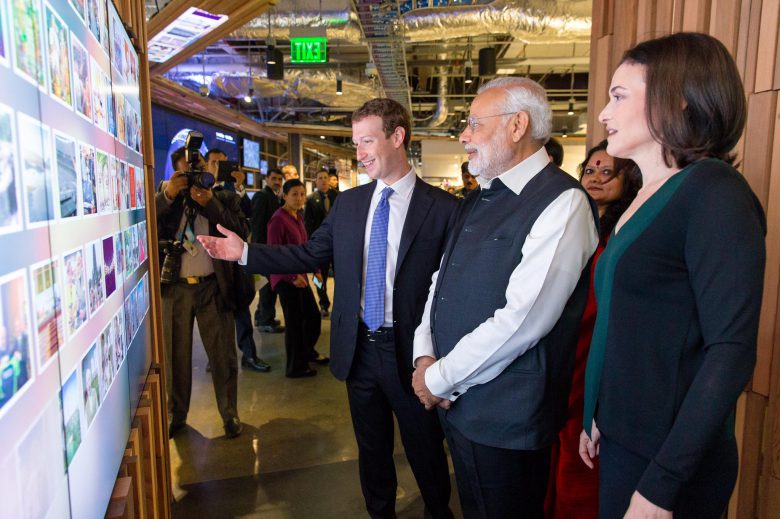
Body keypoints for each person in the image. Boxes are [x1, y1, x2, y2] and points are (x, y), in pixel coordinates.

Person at [198, 98, 457, 519]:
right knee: (372, 453)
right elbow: (307, 253)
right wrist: (246, 252)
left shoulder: (443, 209)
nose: (360, 153)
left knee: (425, 450)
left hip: (413, 355)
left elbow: (450, 289)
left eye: (367, 141)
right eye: (356, 143)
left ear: (398, 137)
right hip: (358, 350)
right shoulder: (350, 204)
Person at [579, 32, 766, 518]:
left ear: (677, 98)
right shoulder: (643, 197)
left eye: (618, 97)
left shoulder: (714, 191)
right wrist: (599, 412)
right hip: (627, 438)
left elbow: (731, 350)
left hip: (668, 460)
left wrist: (663, 483)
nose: (604, 113)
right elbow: (626, 324)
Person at [411, 77, 599, 518]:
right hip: (457, 404)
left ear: (518, 125)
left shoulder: (563, 202)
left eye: (475, 123)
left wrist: (437, 379)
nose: (464, 136)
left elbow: (523, 320)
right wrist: (424, 356)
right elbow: (442, 281)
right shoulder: (477, 199)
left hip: (506, 420)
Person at [545, 140, 640, 519]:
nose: (596, 178)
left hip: (595, 359)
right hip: (563, 354)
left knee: (581, 466)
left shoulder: (622, 232)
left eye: (608, 172)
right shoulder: (569, 219)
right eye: (590, 170)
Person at [157, 146, 247, 439]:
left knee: (222, 356)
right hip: (175, 289)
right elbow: (146, 222)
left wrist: (210, 204)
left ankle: (229, 413)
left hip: (213, 286)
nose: (195, 172)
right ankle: (176, 414)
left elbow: (240, 231)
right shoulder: (166, 193)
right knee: (175, 356)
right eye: (188, 166)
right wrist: (170, 194)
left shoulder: (223, 197)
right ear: (177, 168)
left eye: (201, 165)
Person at [206, 149, 270, 372]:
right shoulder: (200, 190)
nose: (218, 167)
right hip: (209, 262)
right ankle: (214, 359)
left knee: (241, 309)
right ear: (206, 165)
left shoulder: (235, 190)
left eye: (224, 163)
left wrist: (240, 187)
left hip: (234, 260)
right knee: (213, 315)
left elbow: (247, 217)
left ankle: (249, 355)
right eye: (214, 162)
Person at [267, 179, 327, 377]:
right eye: (294, 194)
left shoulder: (298, 216)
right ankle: (295, 367)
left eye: (302, 194)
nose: (299, 198)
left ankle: (306, 352)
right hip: (286, 279)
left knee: (312, 317)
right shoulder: (278, 219)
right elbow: (274, 253)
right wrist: (291, 277)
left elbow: (305, 247)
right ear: (284, 196)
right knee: (294, 323)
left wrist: (314, 267)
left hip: (300, 276)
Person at [250, 168, 285, 334]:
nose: (277, 181)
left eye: (279, 179)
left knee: (267, 285)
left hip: (271, 250)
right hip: (265, 250)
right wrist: (260, 250)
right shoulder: (262, 196)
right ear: (267, 179)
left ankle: (261, 316)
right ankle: (265, 320)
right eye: (274, 178)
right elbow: (257, 225)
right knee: (268, 288)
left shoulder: (274, 197)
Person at [304, 169, 338, 317]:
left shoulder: (340, 197)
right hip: (320, 245)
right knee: (318, 276)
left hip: (338, 244)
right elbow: (308, 224)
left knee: (341, 275)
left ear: (329, 180)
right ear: (316, 181)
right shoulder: (311, 199)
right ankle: (323, 303)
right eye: (320, 178)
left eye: (325, 177)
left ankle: (341, 303)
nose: (323, 180)